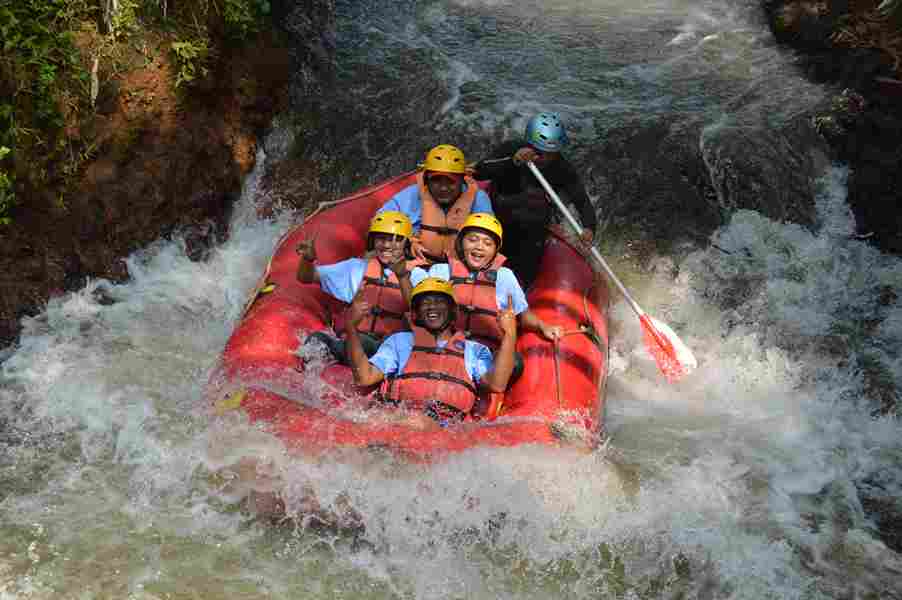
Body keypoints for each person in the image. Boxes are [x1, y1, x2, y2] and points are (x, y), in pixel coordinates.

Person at [409, 212, 563, 382]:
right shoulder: (441, 271)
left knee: (516, 364)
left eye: (487, 243)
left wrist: (543, 326)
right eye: (472, 240)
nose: (479, 247)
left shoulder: (504, 277)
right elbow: (418, 303)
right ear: (461, 243)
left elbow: (524, 317)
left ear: (495, 251)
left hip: (483, 353)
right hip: (444, 345)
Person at [344, 277, 518, 427]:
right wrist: (351, 328)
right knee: (415, 421)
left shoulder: (474, 350)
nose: (431, 307)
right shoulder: (399, 342)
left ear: (453, 311)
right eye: (425, 303)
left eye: (439, 302)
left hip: (444, 431)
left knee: (420, 422)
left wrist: (510, 334)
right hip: (397, 422)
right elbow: (364, 377)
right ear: (416, 313)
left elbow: (497, 384)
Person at [471, 112, 597, 289]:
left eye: (551, 154)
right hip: (498, 224)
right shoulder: (511, 150)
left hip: (533, 233)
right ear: (530, 144)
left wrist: (589, 227)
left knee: (524, 277)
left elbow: (581, 201)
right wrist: (513, 162)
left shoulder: (562, 167)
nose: (545, 158)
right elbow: (479, 171)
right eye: (540, 152)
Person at [296, 211, 418, 362]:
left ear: (407, 243)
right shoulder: (356, 268)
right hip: (353, 341)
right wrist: (307, 259)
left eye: (396, 239)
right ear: (373, 241)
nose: (387, 245)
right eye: (381, 238)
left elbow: (418, 311)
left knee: (362, 342)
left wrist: (402, 276)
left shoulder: (418, 274)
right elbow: (306, 277)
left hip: (388, 347)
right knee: (316, 340)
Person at [378, 144, 494, 266]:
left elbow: (488, 237)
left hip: (462, 266)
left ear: (462, 180)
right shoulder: (413, 194)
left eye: (451, 181)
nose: (443, 188)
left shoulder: (477, 198)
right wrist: (408, 242)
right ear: (426, 179)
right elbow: (379, 220)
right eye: (436, 180)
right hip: (418, 264)